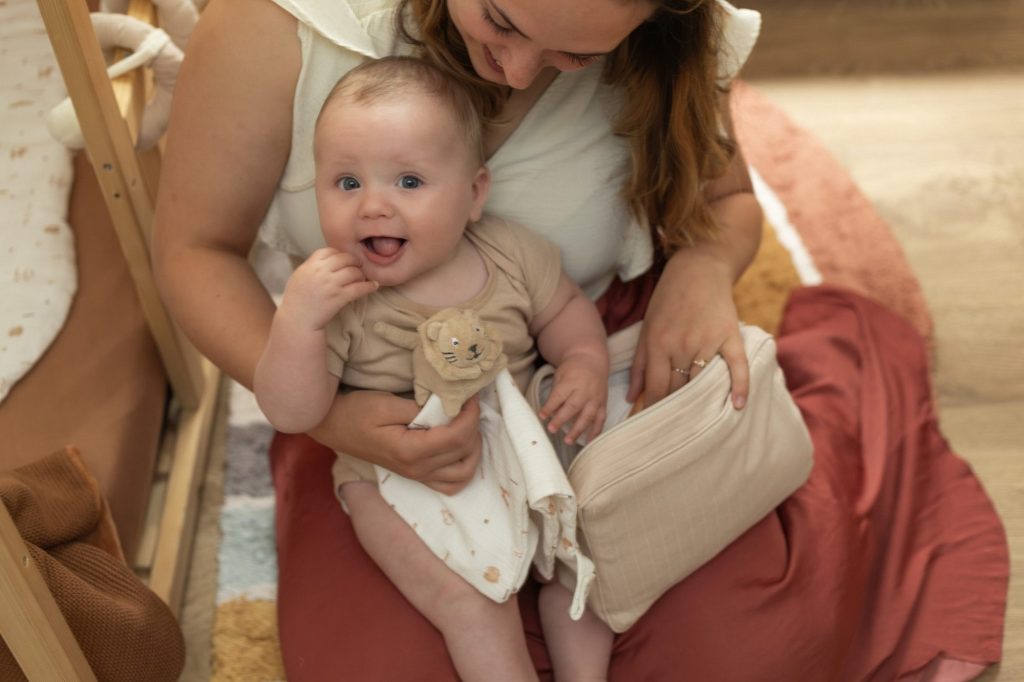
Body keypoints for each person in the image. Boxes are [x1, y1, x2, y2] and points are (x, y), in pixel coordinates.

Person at [154, 0, 1009, 678]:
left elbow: (722, 199)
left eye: (575, 58)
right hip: (378, 401)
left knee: (742, 654)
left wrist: (701, 272)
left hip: (585, 364)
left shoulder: (667, 43)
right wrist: (338, 421)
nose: (519, 70)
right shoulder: (273, 26)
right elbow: (196, 250)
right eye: (500, 19)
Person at [252, 56, 613, 680]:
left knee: (589, 573)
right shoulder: (340, 296)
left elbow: (566, 311)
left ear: (474, 195)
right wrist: (296, 324)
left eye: (409, 183)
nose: (372, 207)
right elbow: (292, 412)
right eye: (346, 183)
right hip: (397, 480)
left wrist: (583, 362)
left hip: (526, 449)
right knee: (467, 605)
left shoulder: (509, 252)